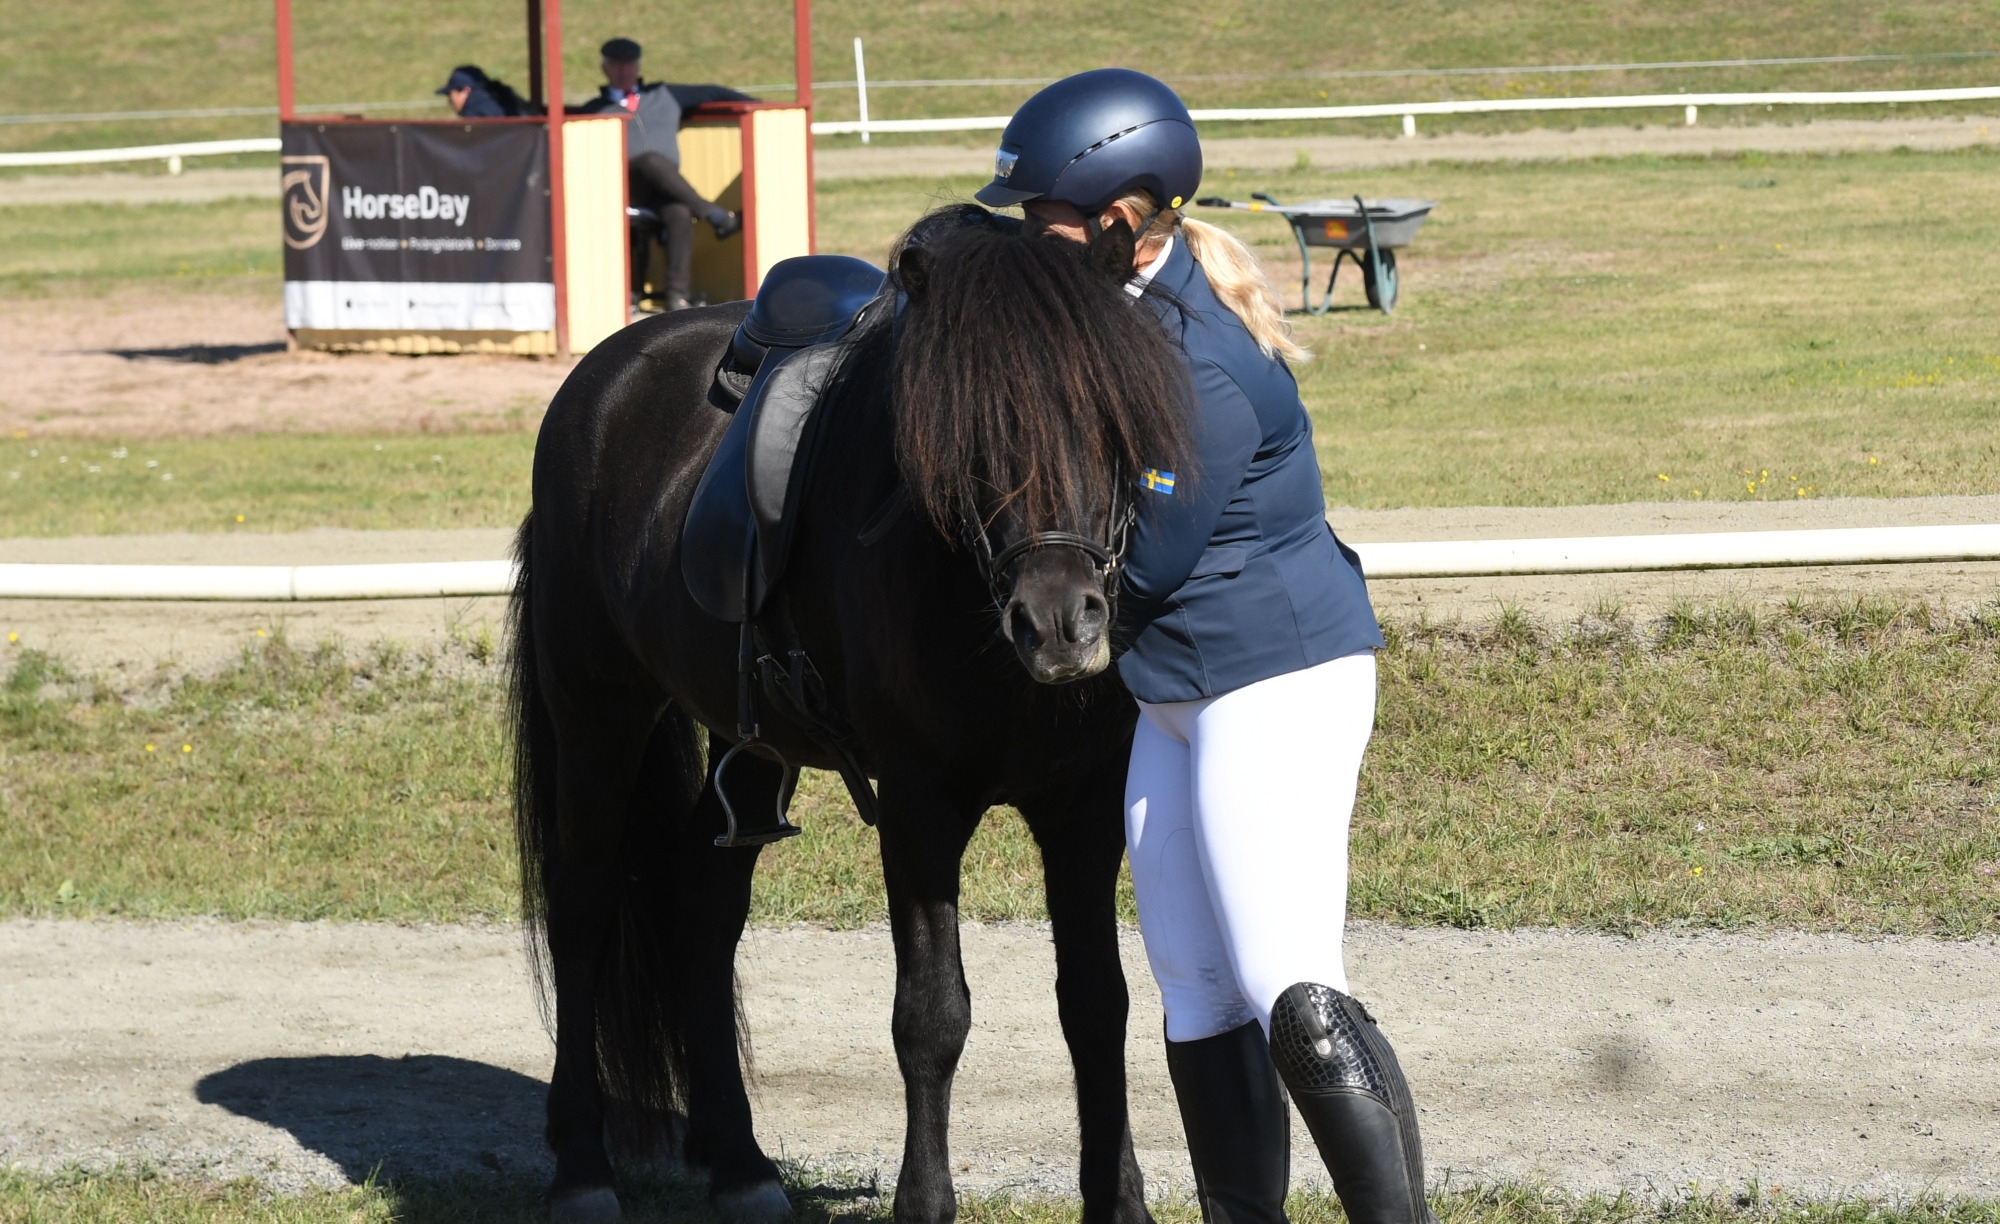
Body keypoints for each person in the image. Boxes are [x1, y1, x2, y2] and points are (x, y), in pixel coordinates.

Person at [975, 69, 1437, 1224]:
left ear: (1123, 223)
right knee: (1193, 989)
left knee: (1292, 991)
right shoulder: (1123, 314)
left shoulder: (1197, 365)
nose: (1031, 244)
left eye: (1047, 224)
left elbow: (1149, 563)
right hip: (1178, 691)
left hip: (1271, 679)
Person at [578, 37, 751, 310]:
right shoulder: (592, 109)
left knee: (679, 213)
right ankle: (715, 215)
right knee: (650, 160)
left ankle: (676, 296)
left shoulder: (664, 95)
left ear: (637, 66)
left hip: (664, 188)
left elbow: (712, 92)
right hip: (624, 186)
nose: (624, 71)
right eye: (617, 65)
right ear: (605, 68)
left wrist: (764, 106)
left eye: (629, 64)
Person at [436, 65, 538, 118]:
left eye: (450, 95)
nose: (449, 101)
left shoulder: (474, 112)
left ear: (466, 91)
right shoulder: (504, 95)